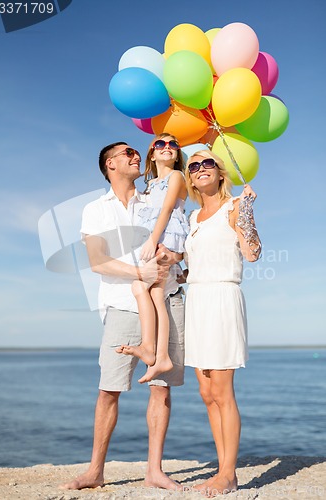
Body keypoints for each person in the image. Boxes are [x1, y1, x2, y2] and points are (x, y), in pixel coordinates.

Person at [60, 142, 185, 491]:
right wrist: (138, 274)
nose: (136, 155)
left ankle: (154, 471)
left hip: (168, 296)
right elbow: (97, 261)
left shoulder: (156, 196)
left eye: (136, 152)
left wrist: (171, 258)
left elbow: (180, 241)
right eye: (126, 153)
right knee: (109, 389)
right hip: (121, 303)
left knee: (161, 388)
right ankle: (95, 471)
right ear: (109, 165)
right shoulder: (95, 209)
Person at [183, 150, 261, 496]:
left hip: (222, 298)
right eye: (194, 165)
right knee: (205, 391)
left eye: (207, 163)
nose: (200, 168)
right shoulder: (192, 217)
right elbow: (192, 266)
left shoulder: (235, 207)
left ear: (219, 172)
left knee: (222, 391)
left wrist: (246, 211)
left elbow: (252, 253)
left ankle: (228, 474)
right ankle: (221, 467)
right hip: (195, 299)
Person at [117, 133, 188, 384]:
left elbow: (167, 210)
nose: (167, 148)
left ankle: (149, 347)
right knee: (156, 294)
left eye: (172, 144)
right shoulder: (151, 184)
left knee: (139, 286)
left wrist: (151, 240)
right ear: (152, 153)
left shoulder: (177, 176)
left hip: (165, 239)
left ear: (177, 153)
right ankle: (162, 356)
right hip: (156, 238)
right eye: (160, 144)